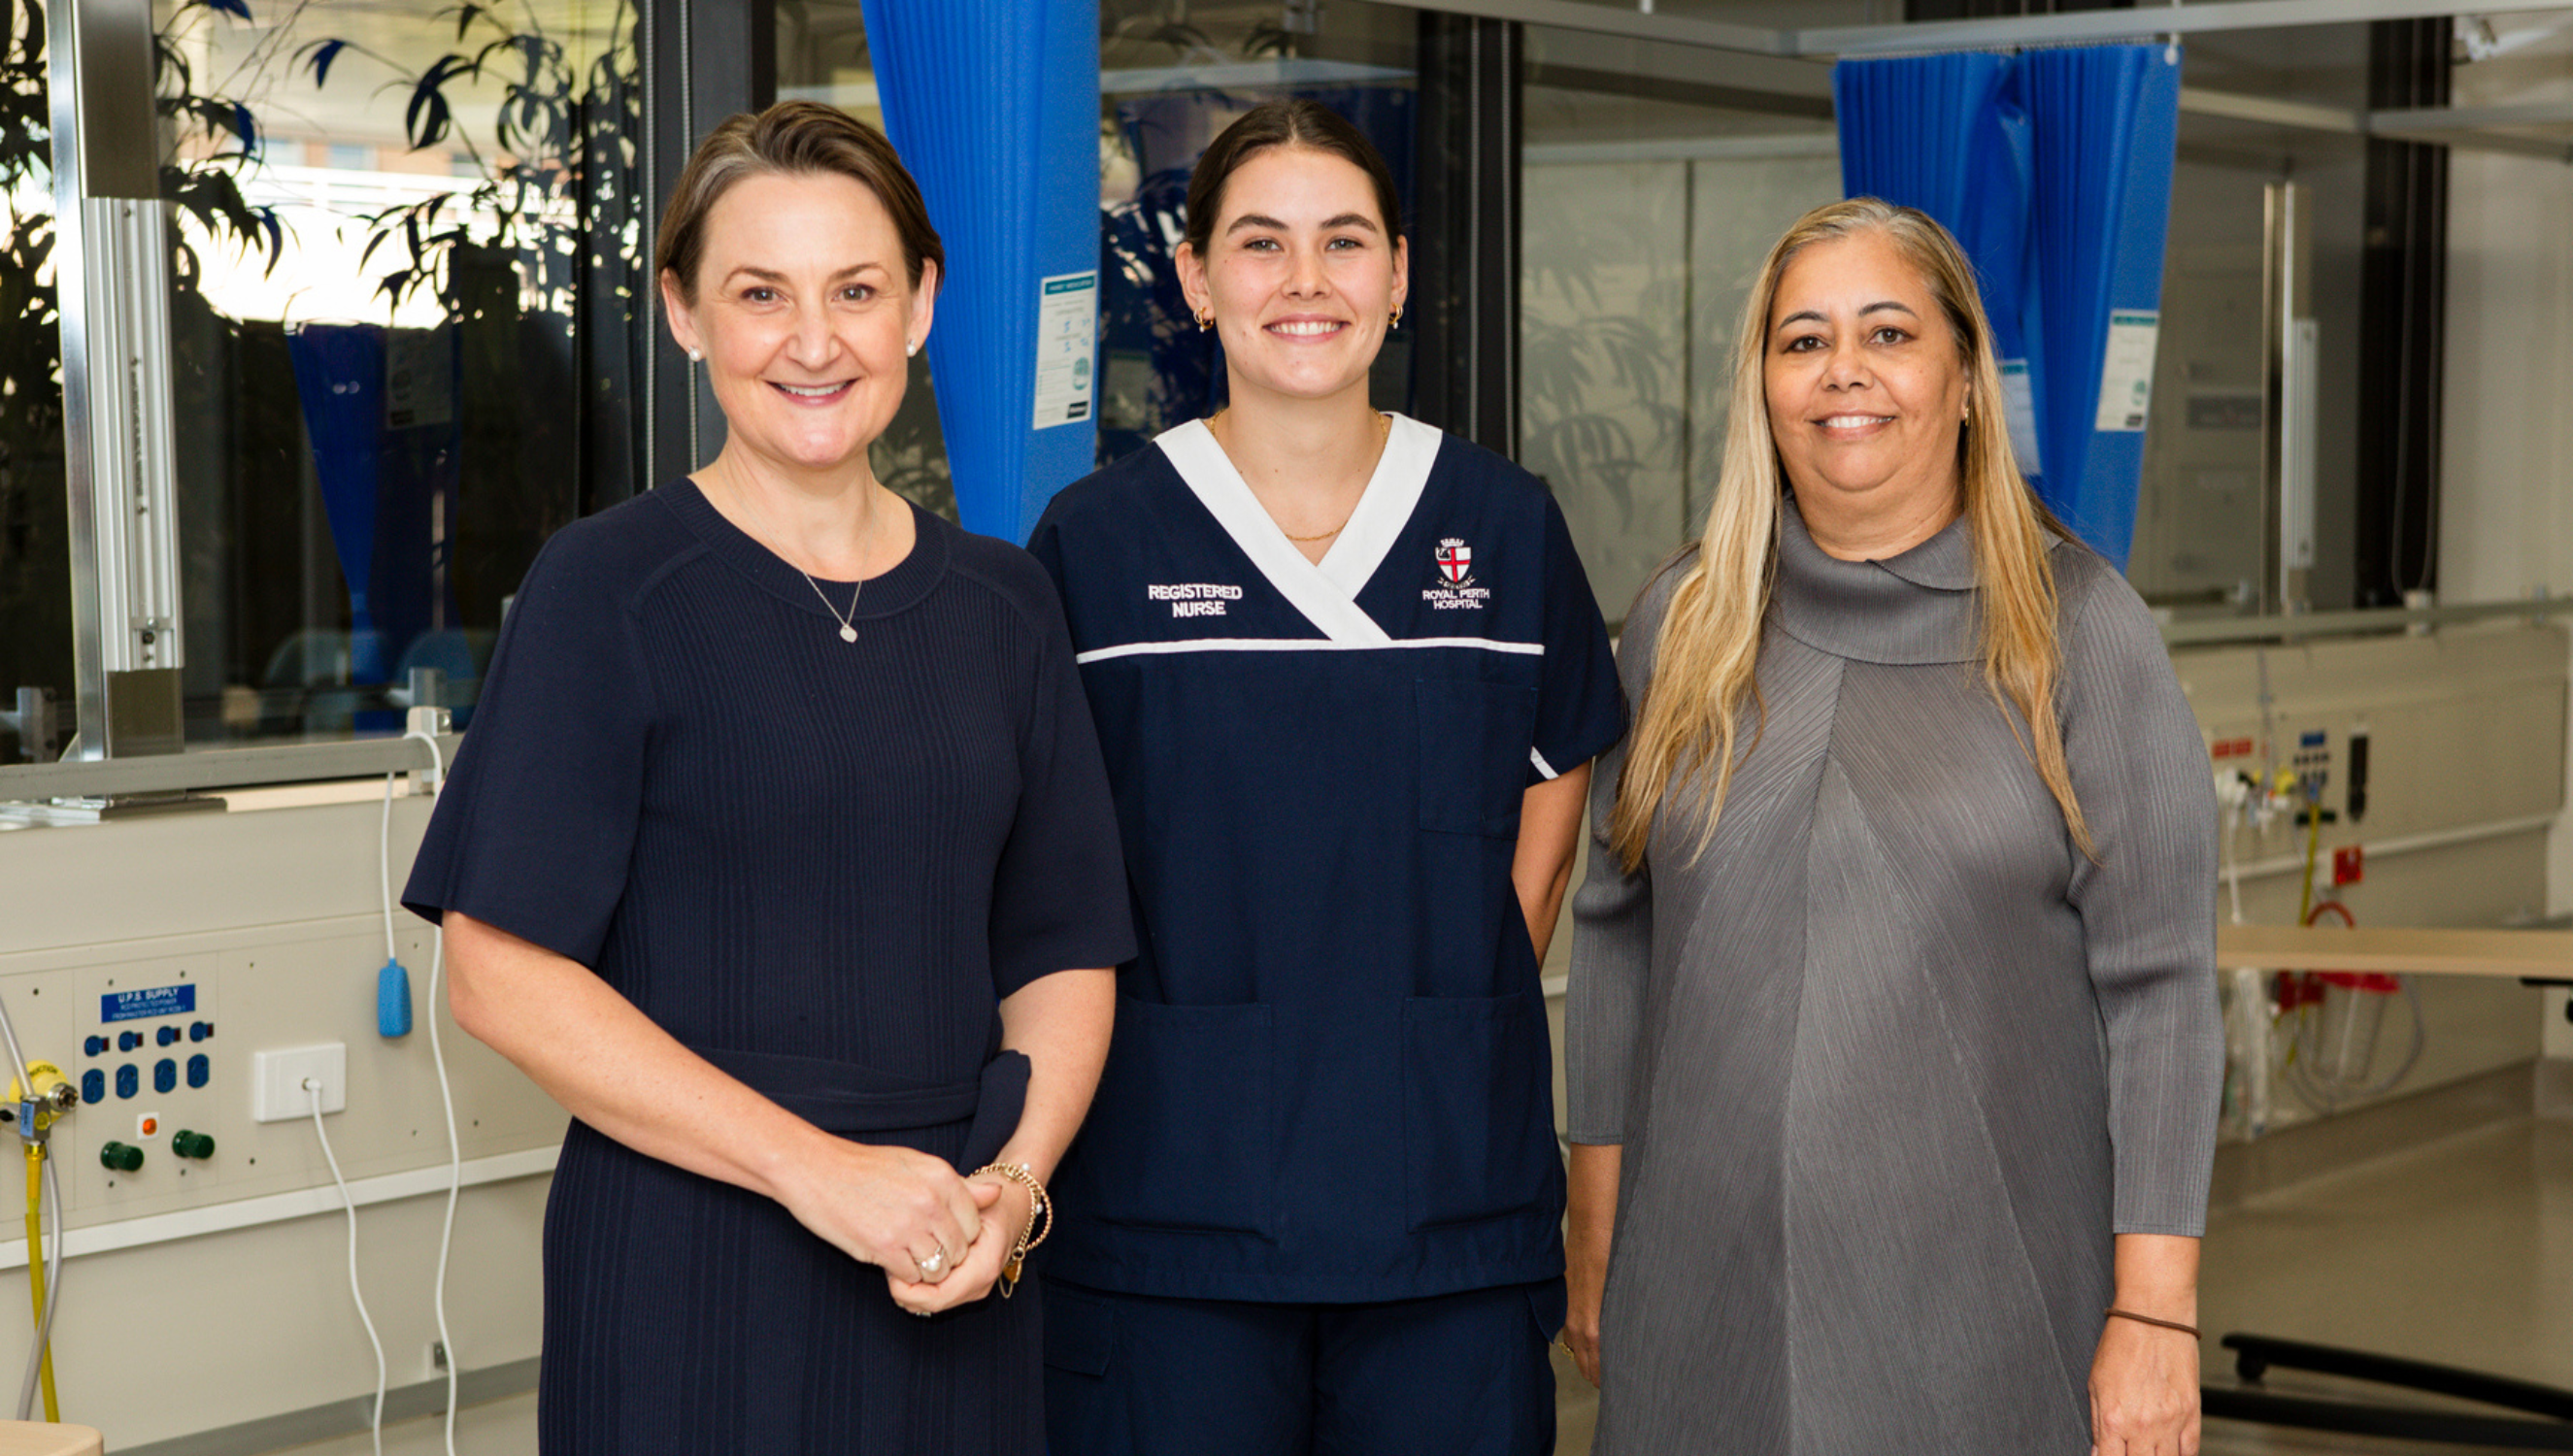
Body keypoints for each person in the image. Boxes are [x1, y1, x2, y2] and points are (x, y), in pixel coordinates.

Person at [400, 101, 1132, 1455]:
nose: (813, 342)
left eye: (855, 290)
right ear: (683, 313)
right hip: (692, 1255)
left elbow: (1064, 950)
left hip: (950, 1250)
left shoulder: (1005, 602)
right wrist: (819, 1176)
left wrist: (1013, 1191)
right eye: (759, 294)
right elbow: (501, 972)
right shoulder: (607, 590)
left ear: (919, 305)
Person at [1563, 197, 2222, 1455]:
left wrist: (2156, 1313)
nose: (1842, 373)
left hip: (1987, 1298)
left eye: (1887, 333)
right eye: (1801, 341)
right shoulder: (1681, 625)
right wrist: (1596, 1227)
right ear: (1760, 383)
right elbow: (1614, 937)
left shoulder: (2079, 634)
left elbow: (2161, 995)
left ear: (1964, 376)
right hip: (1700, 1291)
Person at [1026, 100, 1625, 1456]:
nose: (1304, 281)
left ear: (1398, 273)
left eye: (1343, 242)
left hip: (1444, 1212)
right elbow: (1049, 861)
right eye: (1259, 243)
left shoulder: (1501, 525)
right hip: (1168, 1214)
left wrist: (1443, 1003)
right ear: (1192, 279)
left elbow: (1550, 785)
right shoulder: (1095, 544)